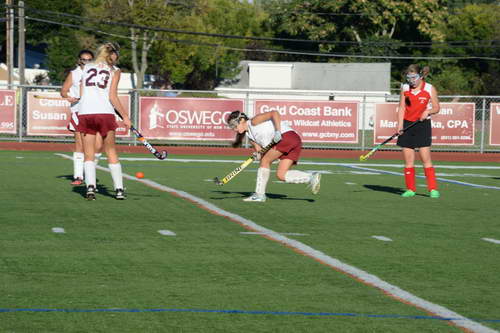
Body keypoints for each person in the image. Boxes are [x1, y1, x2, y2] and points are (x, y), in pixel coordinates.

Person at [227, 110, 321, 202]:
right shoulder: (250, 137)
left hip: (286, 136)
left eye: (235, 125)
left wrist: (277, 131)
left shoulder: (254, 121)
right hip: (294, 141)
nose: (234, 129)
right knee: (281, 175)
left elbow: (274, 113)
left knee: (265, 162)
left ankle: (259, 195)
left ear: (242, 120)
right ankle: (311, 177)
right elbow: (261, 152)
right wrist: (258, 155)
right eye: (232, 127)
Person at [78, 42, 132, 200]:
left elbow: (82, 92)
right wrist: (126, 117)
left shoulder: (86, 67)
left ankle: (90, 188)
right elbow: (112, 97)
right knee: (111, 151)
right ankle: (119, 190)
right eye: (116, 55)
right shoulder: (115, 71)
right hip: (104, 113)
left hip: (86, 112)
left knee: (89, 154)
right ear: (112, 55)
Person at [396, 64, 441, 198]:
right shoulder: (405, 88)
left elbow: (437, 107)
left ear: (420, 76)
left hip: (423, 125)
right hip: (407, 125)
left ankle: (432, 189)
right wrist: (399, 126)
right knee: (408, 160)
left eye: (414, 77)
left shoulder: (429, 88)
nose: (411, 81)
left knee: (425, 158)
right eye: (409, 78)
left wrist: (428, 111)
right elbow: (402, 108)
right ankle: (410, 189)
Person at [60, 49, 103, 185]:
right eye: (84, 59)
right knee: (80, 144)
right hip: (79, 111)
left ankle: (89, 171)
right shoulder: (74, 74)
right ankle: (78, 176)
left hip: (94, 111)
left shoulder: (97, 73)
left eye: (89, 59)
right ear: (79, 60)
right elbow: (63, 91)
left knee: (97, 145)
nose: (86, 62)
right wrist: (68, 97)